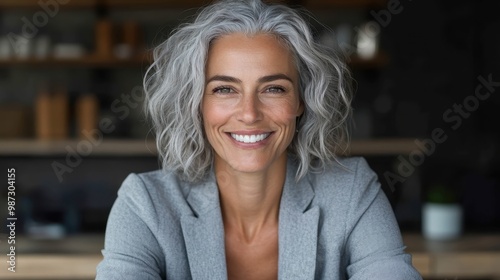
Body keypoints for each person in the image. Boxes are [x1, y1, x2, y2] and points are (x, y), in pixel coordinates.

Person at [96, 0, 422, 279]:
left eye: (273, 88)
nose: (249, 114)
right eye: (225, 89)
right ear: (197, 103)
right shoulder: (146, 205)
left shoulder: (351, 194)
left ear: (301, 100)